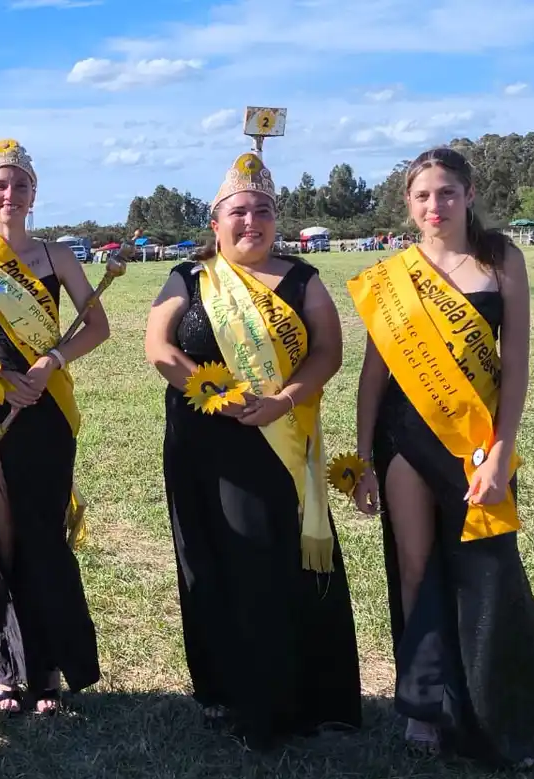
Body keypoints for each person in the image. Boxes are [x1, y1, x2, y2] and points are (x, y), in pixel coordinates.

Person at [143, 151, 361, 748]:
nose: (250, 221)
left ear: (276, 220)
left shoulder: (302, 278)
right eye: (238, 211)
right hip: (201, 442)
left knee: (271, 561)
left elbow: (327, 354)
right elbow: (159, 347)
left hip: (277, 442)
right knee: (208, 560)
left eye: (262, 210)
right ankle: (223, 690)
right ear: (216, 223)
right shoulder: (189, 276)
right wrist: (215, 388)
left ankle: (288, 697)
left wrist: (283, 400)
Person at [347, 147, 534, 767]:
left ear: (468, 194)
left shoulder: (500, 259)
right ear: (407, 206)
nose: (434, 206)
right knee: (414, 571)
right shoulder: (390, 276)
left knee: (485, 571)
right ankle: (425, 707)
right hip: (405, 437)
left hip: (475, 443)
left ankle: (495, 714)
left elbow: (514, 365)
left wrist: (501, 451)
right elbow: (372, 375)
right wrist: (363, 455)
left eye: (445, 193)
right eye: (421, 196)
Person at [0, 140, 110, 715]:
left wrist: (50, 362)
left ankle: (48, 669)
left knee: (44, 534)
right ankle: (6, 667)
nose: (10, 195)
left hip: (48, 409)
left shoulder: (58, 257)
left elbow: (96, 326)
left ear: (35, 193)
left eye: (21, 185)